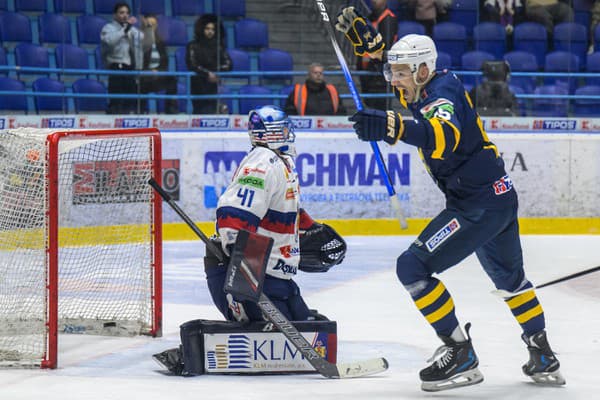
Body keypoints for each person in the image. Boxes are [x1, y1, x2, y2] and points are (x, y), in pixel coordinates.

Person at [335, 9, 565, 392]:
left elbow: (444, 136)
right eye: (394, 72)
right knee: (511, 281)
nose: (395, 80)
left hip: (476, 205)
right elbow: (397, 78)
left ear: (424, 70)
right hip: (498, 198)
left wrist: (391, 126)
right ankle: (542, 352)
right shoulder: (423, 83)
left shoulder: (442, 93)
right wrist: (375, 52)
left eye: (402, 72)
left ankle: (459, 351)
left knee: (412, 267)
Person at [205, 105, 346, 322]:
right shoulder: (263, 162)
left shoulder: (282, 162)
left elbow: (285, 210)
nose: (289, 134)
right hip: (257, 276)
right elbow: (234, 215)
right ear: (273, 133)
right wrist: (244, 267)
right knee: (290, 338)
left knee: (314, 327)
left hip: (277, 276)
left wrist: (311, 228)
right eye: (283, 129)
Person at [350, 1, 397, 110]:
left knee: (379, 105)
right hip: (366, 68)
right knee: (368, 103)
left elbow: (385, 45)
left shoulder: (388, 19)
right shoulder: (370, 18)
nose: (374, 2)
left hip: (379, 70)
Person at [100, 2, 147, 114]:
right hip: (116, 66)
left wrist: (142, 26)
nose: (125, 15)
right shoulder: (108, 28)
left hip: (129, 67)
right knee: (117, 99)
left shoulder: (130, 28)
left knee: (132, 98)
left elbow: (141, 38)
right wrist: (124, 31)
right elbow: (110, 41)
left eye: (127, 13)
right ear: (115, 15)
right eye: (121, 13)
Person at [185, 14, 232, 114]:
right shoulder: (192, 45)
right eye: (207, 28)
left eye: (213, 29)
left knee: (212, 112)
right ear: (201, 29)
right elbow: (192, 64)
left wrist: (214, 73)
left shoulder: (218, 46)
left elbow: (229, 64)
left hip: (214, 85)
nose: (210, 31)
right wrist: (207, 74)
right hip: (198, 85)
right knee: (200, 113)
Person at [138, 14, 179, 114]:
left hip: (158, 75)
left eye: (153, 24)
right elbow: (137, 62)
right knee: (138, 83)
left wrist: (158, 72)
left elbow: (165, 63)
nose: (151, 26)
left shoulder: (161, 43)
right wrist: (148, 71)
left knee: (172, 79)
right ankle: (140, 111)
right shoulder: (138, 42)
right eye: (148, 24)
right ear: (144, 25)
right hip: (143, 76)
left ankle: (170, 110)